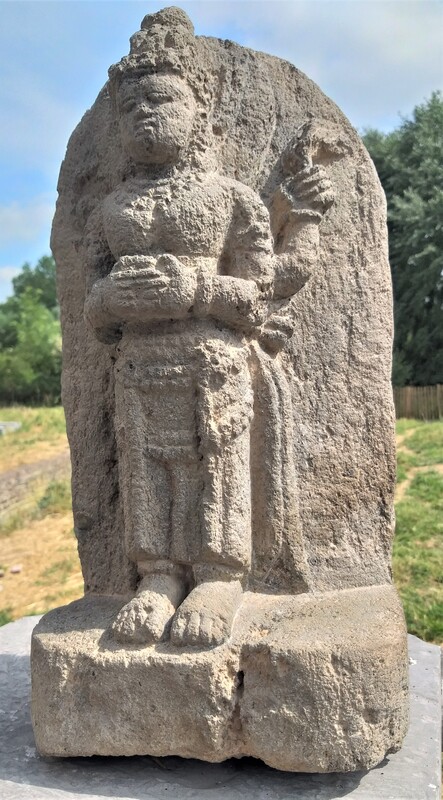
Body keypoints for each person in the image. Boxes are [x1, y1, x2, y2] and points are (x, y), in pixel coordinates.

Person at [84, 10, 334, 648]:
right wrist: (113, 298)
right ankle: (158, 576)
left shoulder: (230, 200)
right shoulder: (112, 209)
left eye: (163, 99)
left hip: (214, 363)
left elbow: (257, 295)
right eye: (131, 106)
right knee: (149, 472)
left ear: (203, 114)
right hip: (139, 367)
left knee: (212, 464)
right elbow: (90, 306)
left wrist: (195, 287)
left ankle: (219, 576)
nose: (145, 114)